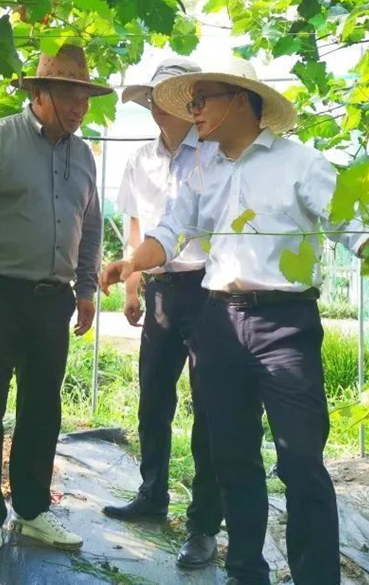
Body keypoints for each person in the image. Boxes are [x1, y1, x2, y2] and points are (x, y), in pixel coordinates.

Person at [100, 56, 369, 585]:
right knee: (232, 457)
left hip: (285, 327)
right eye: (191, 102)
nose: (193, 111)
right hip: (219, 322)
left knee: (301, 461)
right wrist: (132, 262)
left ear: (241, 100)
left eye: (202, 100)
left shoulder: (301, 163)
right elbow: (172, 229)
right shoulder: (203, 170)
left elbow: (356, 229)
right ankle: (245, 571)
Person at [0, 44, 113, 571]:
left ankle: (32, 510)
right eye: (68, 95)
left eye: (84, 97)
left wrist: (86, 288)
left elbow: (91, 227)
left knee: (42, 407)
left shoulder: (83, 156)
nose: (79, 107)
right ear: (39, 94)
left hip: (51, 300)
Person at [102, 58, 223, 569]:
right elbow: (136, 229)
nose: (156, 107)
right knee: (153, 397)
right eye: (152, 99)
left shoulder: (215, 152)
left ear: (190, 103)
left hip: (209, 288)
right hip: (159, 290)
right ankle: (152, 494)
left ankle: (204, 524)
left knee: (208, 407)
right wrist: (133, 285)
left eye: (167, 98)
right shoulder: (140, 160)